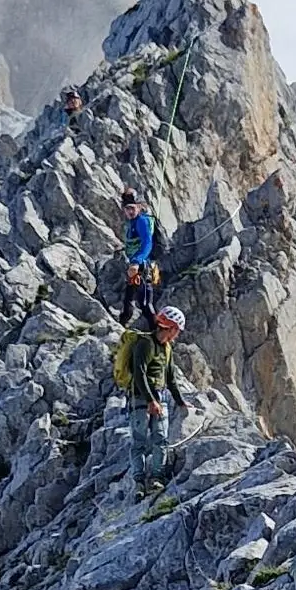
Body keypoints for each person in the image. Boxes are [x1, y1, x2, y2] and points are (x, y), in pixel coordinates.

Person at [121, 306, 189, 497]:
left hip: (160, 399)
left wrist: (181, 402)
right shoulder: (145, 343)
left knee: (161, 439)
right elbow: (139, 373)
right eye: (176, 330)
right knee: (140, 441)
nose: (176, 335)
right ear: (171, 328)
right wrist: (151, 400)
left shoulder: (167, 349)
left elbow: (170, 378)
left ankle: (156, 478)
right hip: (141, 400)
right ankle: (139, 483)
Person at [119, 193, 161, 327]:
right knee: (128, 300)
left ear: (139, 207)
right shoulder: (133, 223)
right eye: (127, 208)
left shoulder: (142, 221)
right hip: (135, 267)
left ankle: (157, 334)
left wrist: (137, 261)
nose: (130, 211)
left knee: (145, 304)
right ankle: (121, 326)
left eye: (132, 208)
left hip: (143, 266)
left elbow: (147, 243)